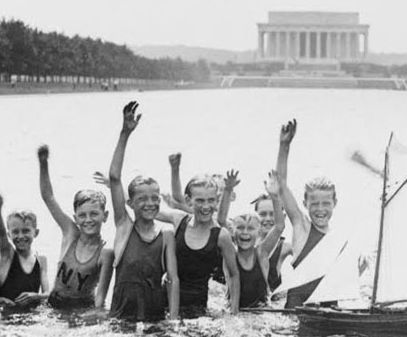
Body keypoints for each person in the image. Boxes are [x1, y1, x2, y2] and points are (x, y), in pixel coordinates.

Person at [108, 101, 179, 322]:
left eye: (155, 198)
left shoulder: (166, 235)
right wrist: (124, 134)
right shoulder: (124, 226)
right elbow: (114, 178)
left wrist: (174, 320)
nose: (150, 203)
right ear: (130, 203)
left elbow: (173, 280)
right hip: (121, 317)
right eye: (143, 199)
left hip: (154, 316)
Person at [38, 145, 114, 310]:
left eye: (94, 214)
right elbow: (48, 197)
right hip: (54, 303)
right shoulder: (70, 233)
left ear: (105, 216)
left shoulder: (106, 252)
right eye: (82, 215)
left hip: (81, 307)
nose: (88, 220)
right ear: (75, 218)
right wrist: (43, 163)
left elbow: (101, 296)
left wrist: (95, 315)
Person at [275, 119, 339, 308]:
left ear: (335, 203)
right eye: (315, 204)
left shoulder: (337, 238)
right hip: (299, 309)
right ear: (304, 204)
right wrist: (284, 146)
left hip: (329, 308)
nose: (320, 209)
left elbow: (341, 281)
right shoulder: (301, 226)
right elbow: (281, 185)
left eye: (326, 203)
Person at [158, 172, 240, 317]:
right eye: (200, 201)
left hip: (197, 305)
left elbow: (233, 275)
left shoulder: (221, 235)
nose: (206, 206)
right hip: (165, 299)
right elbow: (148, 210)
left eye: (211, 200)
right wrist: (116, 184)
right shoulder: (179, 220)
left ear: (217, 201)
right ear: (189, 201)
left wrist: (234, 312)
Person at [228, 171, 286, 309]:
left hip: (262, 309)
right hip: (237, 309)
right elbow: (219, 220)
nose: (245, 233)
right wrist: (227, 191)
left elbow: (279, 226)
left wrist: (275, 197)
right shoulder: (231, 250)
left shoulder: (263, 252)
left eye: (250, 229)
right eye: (241, 228)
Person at [0, 188, 49, 310]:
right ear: (9, 235)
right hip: (7, 321)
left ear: (36, 232)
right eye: (15, 232)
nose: (21, 236)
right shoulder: (7, 256)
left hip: (32, 320)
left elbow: (47, 293)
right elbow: (0, 233)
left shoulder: (41, 260)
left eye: (26, 231)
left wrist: (35, 296)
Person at [251, 191, 292, 292]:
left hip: (272, 304)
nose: (268, 219)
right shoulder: (245, 244)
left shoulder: (285, 248)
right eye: (263, 214)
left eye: (273, 214)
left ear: (283, 217)